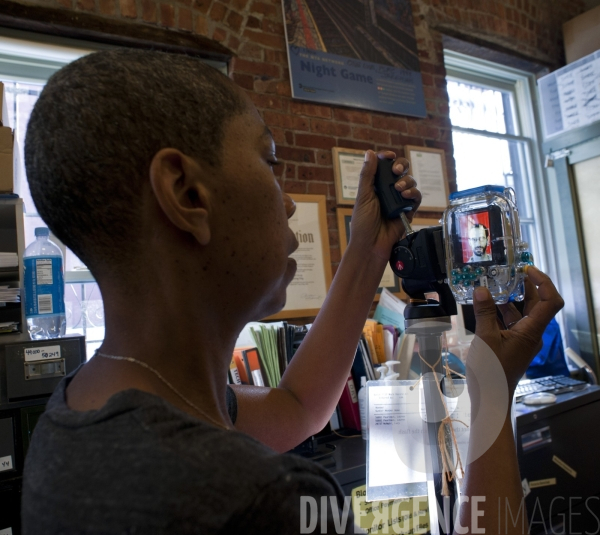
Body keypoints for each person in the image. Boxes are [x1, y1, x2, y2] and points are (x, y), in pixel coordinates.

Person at [21, 49, 563, 534]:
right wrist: (491, 391)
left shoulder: (83, 411)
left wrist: (367, 254)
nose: (285, 203)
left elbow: (295, 406)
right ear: (187, 194)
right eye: (269, 161)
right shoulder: (256, 497)